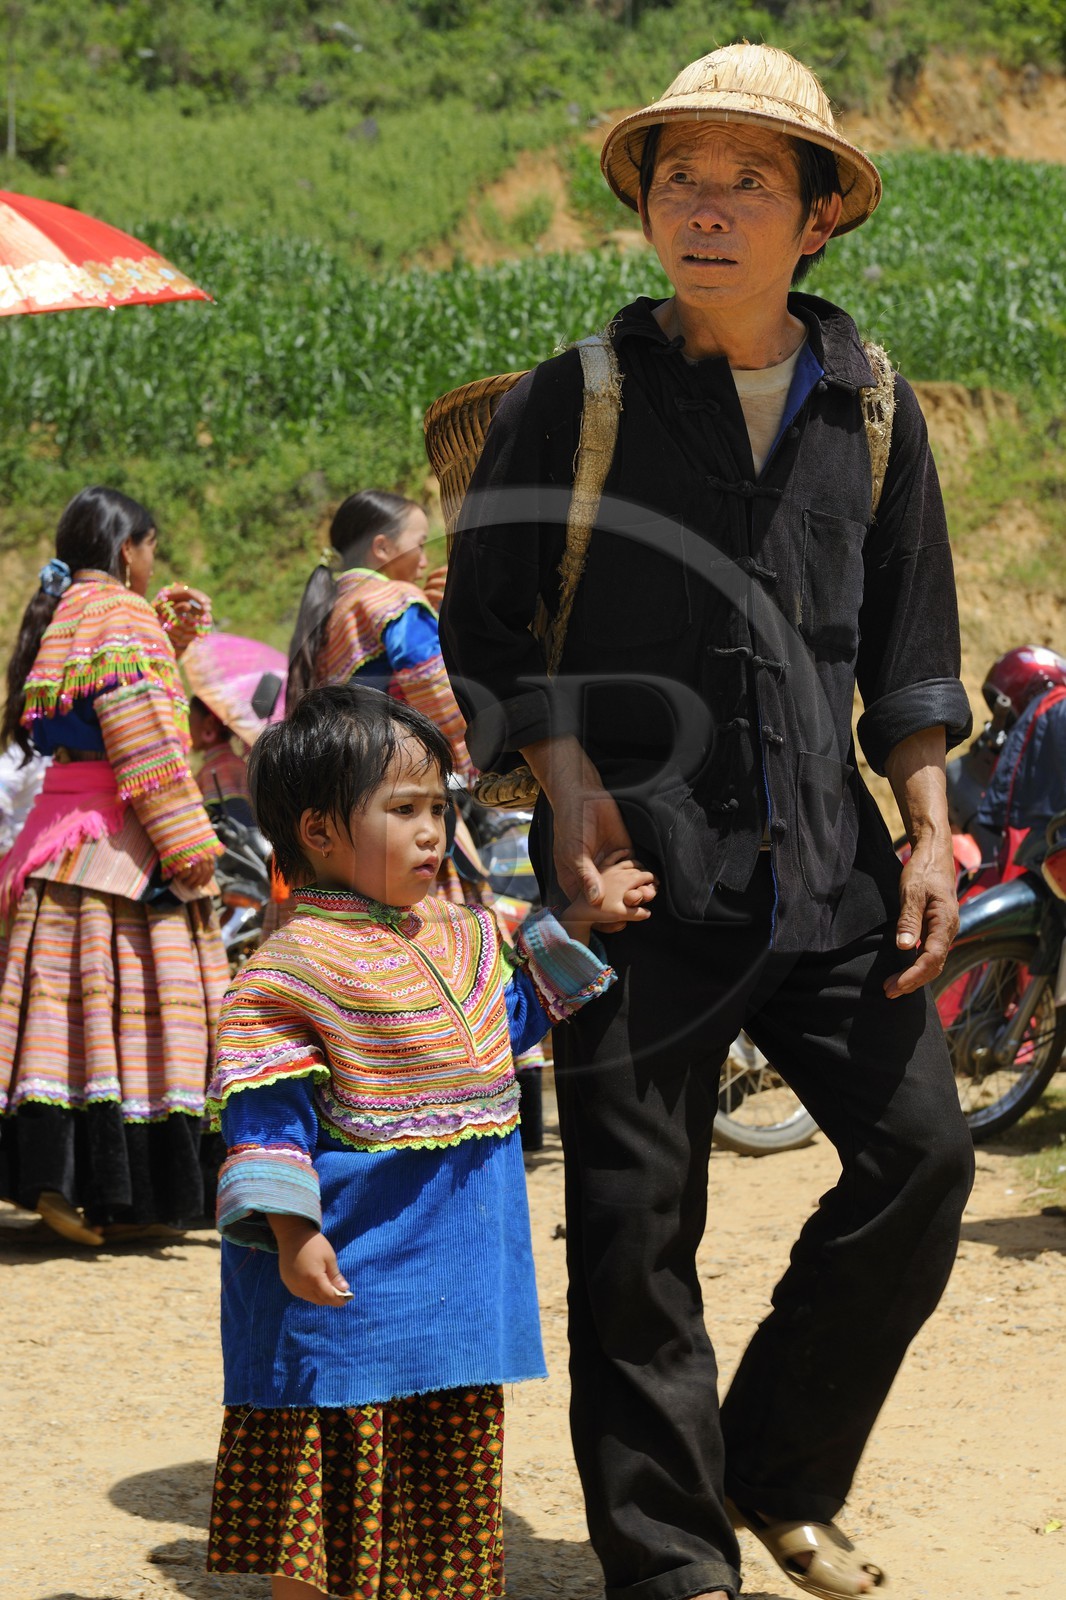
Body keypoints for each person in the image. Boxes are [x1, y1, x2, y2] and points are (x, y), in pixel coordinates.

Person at [440, 42, 976, 1600]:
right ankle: (672, 1567)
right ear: (644, 203)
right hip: (631, 877)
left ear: (817, 218)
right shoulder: (577, 401)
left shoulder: (869, 410)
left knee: (922, 1159)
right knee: (630, 1229)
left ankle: (777, 1469)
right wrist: (565, 798)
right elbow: (488, 638)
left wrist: (931, 830)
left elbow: (910, 650)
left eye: (751, 181)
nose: (711, 206)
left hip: (829, 869)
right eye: (683, 176)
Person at [203, 682, 655, 1599]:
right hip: (352, 1289)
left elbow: (503, 1023)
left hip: (453, 1290)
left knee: (440, 1504)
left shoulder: (462, 937)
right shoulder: (288, 972)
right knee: (330, 1504)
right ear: (322, 833)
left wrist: (580, 922)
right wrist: (294, 1236)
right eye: (402, 809)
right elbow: (266, 1122)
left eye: (440, 809)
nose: (431, 831)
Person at [0, 486, 228, 1247]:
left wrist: (171, 640)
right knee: (139, 1014)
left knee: (57, 1021)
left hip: (56, 842)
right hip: (119, 844)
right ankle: (129, 1190)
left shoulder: (63, 613)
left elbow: (85, 715)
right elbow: (146, 749)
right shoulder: (123, 619)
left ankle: (51, 1179)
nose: (154, 559)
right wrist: (192, 855)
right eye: (152, 547)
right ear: (131, 551)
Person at [286, 487, 473, 782]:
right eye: (420, 544)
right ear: (383, 548)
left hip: (360, 775)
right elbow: (428, 676)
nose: (424, 561)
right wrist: (470, 752)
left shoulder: (330, 615)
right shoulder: (394, 598)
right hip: (406, 766)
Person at [189, 695, 254, 826]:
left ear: (209, 723)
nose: (188, 729)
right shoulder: (240, 764)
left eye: (189, 722)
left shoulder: (214, 771)